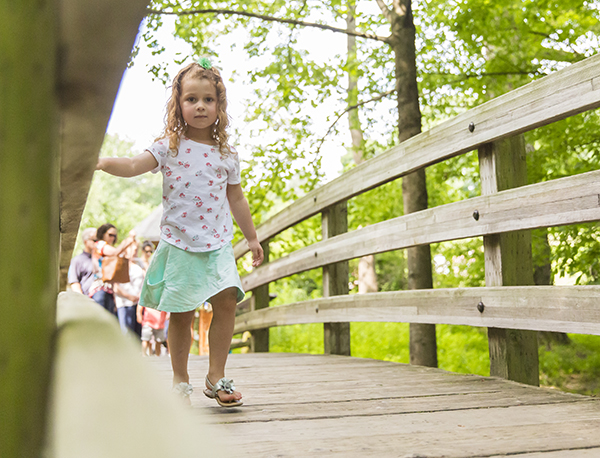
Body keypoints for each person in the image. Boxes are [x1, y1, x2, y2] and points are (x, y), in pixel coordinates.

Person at [96, 59, 264, 407]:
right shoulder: (168, 147)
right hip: (180, 244)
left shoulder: (227, 155)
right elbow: (131, 166)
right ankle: (180, 379)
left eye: (208, 99)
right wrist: (99, 162)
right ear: (179, 104)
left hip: (217, 243)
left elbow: (237, 198)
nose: (200, 106)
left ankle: (216, 375)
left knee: (228, 303)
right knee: (182, 311)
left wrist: (251, 238)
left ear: (219, 106)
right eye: (191, 99)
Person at [89, 223, 135, 316]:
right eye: (110, 235)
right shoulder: (99, 244)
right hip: (100, 289)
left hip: (109, 290)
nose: (112, 238)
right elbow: (114, 252)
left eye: (114, 236)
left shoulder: (105, 246)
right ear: (102, 234)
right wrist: (127, 241)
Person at [114, 241, 145, 337]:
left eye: (137, 250)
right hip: (124, 304)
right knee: (127, 334)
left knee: (137, 336)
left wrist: (140, 295)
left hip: (138, 304)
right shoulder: (120, 265)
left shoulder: (140, 265)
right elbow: (115, 286)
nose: (135, 252)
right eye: (134, 250)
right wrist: (130, 297)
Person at [68, 228, 97, 296]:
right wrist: (82, 299)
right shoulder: (77, 260)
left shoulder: (102, 258)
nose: (97, 243)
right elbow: (74, 282)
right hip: (87, 299)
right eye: (94, 240)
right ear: (85, 241)